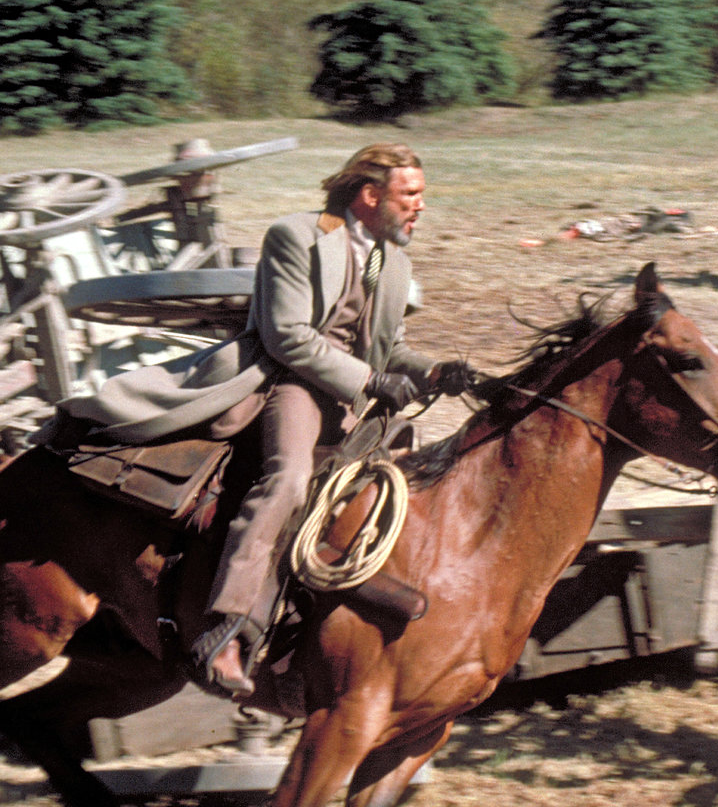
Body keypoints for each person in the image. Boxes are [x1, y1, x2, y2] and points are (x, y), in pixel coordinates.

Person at [63, 142, 474, 695]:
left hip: (350, 394)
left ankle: (349, 590)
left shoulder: (393, 261)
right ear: (371, 195)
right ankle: (226, 627)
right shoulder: (296, 235)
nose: (420, 205)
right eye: (411, 194)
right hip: (288, 382)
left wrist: (435, 371)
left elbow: (390, 348)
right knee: (289, 479)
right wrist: (371, 382)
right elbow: (288, 337)